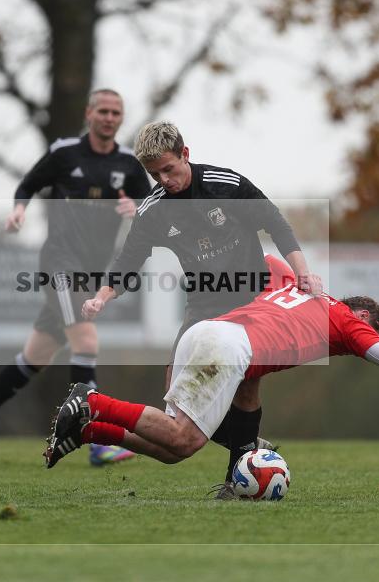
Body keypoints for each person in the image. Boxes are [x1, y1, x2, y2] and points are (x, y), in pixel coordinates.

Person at [81, 121, 322, 494]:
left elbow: (276, 222)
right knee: (175, 410)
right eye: (154, 174)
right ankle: (247, 446)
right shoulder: (153, 210)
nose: (164, 180)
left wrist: (303, 272)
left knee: (245, 389)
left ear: (185, 155)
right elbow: (129, 260)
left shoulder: (225, 185)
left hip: (250, 302)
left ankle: (235, 477)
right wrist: (103, 296)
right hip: (202, 306)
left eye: (169, 169)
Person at [47, 255, 379, 484]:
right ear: (364, 315)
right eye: (373, 329)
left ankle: (89, 429)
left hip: (207, 332)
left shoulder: (293, 284)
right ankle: (92, 402)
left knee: (172, 450)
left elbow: (262, 259)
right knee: (184, 439)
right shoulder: (349, 322)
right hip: (226, 348)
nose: (368, 338)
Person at [0, 89, 151, 466]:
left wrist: (137, 206)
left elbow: (153, 204)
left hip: (91, 273)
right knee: (86, 339)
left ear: (121, 118)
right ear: (89, 113)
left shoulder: (127, 163)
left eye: (116, 112)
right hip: (59, 262)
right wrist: (18, 210)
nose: (109, 118)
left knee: (34, 358)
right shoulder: (64, 152)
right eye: (103, 111)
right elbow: (28, 184)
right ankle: (95, 441)